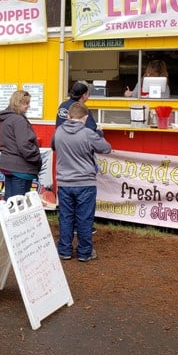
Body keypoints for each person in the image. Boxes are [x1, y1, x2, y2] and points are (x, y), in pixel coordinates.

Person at [53, 101, 112, 262]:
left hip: (64, 182)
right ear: (85, 117)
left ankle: (64, 250)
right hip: (85, 182)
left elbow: (53, 146)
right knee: (84, 219)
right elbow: (106, 148)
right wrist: (98, 135)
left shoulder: (59, 132)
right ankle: (84, 252)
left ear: (69, 116)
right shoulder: (87, 133)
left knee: (66, 217)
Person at [0, 90, 42, 200]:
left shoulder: (5, 119)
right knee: (19, 203)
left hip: (8, 164)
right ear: (18, 103)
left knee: (10, 201)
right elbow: (24, 145)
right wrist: (37, 159)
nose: (28, 106)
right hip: (21, 167)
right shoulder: (19, 120)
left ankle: (7, 217)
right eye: (26, 103)